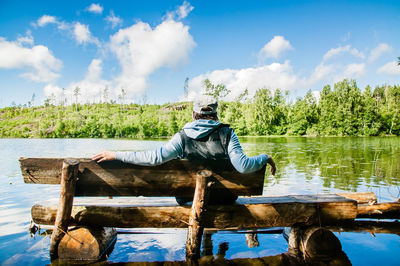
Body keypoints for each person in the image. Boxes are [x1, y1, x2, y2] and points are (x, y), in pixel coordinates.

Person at [92, 95, 276, 204]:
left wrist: (115, 154)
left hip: (189, 200)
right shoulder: (227, 134)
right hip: (223, 198)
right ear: (215, 113)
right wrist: (264, 158)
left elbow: (153, 158)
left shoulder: (182, 137)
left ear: (194, 114)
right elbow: (243, 166)